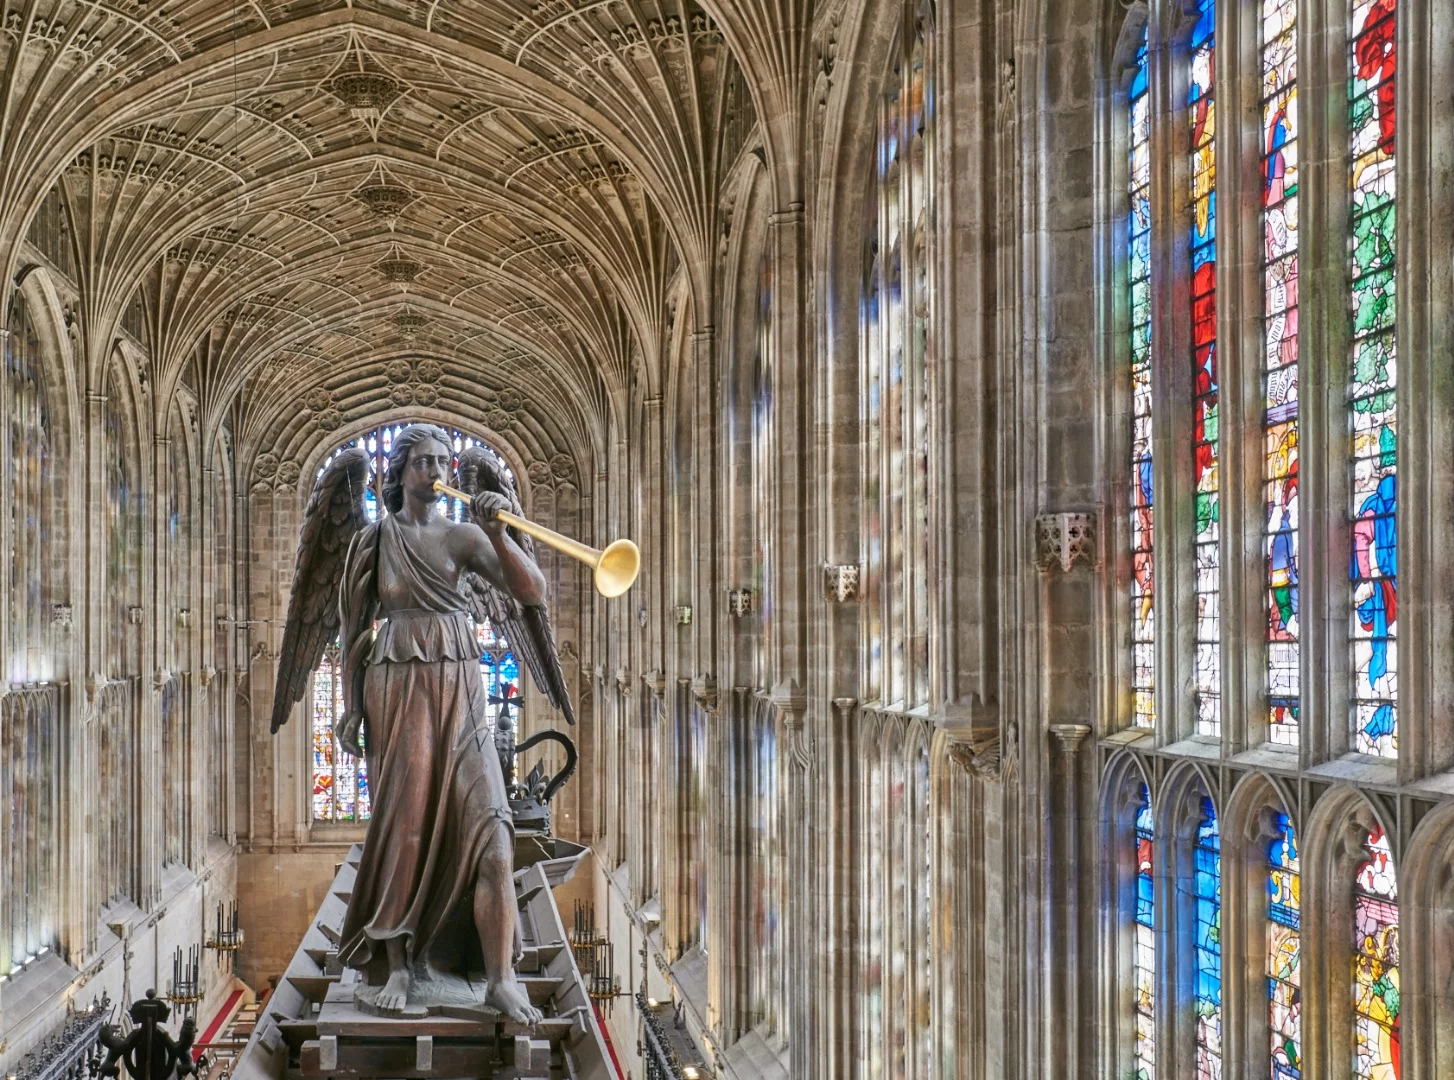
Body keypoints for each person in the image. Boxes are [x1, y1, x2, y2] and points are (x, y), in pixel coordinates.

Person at [332, 423, 543, 1024]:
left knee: (495, 838)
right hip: (398, 686)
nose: (435, 471)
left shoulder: (466, 536)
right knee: (406, 828)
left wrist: (502, 535)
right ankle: (397, 963)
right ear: (399, 471)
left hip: (462, 689)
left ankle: (501, 978)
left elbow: (533, 593)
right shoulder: (375, 541)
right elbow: (351, 631)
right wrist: (349, 706)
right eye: (423, 462)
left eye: (441, 461)